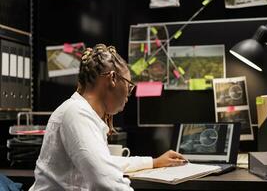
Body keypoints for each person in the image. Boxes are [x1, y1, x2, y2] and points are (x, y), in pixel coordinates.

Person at [29, 44, 187, 190]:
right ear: (112, 79)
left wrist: (153, 162)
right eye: (128, 85)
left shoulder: (79, 111)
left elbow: (105, 163)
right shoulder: (76, 114)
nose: (128, 94)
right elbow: (105, 180)